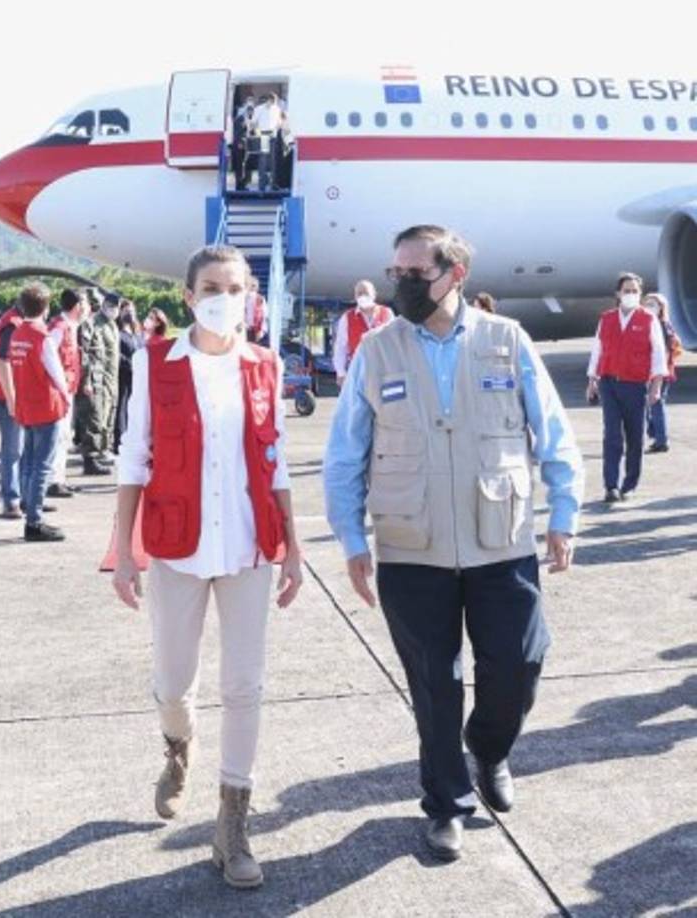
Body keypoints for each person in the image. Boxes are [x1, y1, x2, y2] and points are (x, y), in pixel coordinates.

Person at [324, 224, 583, 862]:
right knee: (434, 685)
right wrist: (352, 539)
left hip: (501, 541)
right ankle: (446, 805)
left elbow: (552, 432)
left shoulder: (505, 339)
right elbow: (343, 455)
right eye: (396, 274)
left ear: (454, 275)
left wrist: (565, 512)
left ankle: (489, 749)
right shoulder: (377, 349)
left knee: (519, 665)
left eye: (416, 274)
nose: (402, 285)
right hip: (412, 548)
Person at [113, 244, 303, 889]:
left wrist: (294, 549)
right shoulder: (155, 362)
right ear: (189, 297)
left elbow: (274, 458)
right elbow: (134, 458)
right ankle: (177, 745)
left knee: (245, 687)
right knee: (173, 682)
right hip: (177, 546)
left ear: (252, 296)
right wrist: (123, 554)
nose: (228, 297)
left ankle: (232, 823)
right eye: (213, 287)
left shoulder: (264, 365)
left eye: (238, 287)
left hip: (249, 545)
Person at [586, 272, 667, 502]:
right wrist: (592, 380)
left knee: (635, 437)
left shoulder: (648, 319)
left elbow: (659, 352)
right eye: (626, 290)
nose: (630, 294)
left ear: (640, 295)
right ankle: (610, 485)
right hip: (609, 383)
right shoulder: (607, 318)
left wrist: (656, 385)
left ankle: (629, 485)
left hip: (636, 384)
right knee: (611, 435)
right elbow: (597, 350)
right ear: (618, 294)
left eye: (635, 291)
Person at [8, 283, 71, 542]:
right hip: (46, 406)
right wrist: (66, 398)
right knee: (42, 466)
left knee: (29, 462)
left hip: (27, 406)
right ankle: (34, 521)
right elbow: (56, 373)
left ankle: (28, 505)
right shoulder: (41, 337)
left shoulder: (17, 334)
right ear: (45, 307)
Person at [47, 289, 84, 498]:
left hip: (68, 390)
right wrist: (60, 386)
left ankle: (60, 478)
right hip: (60, 392)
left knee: (64, 437)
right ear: (77, 306)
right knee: (59, 436)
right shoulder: (59, 328)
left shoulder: (70, 326)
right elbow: (49, 358)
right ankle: (54, 480)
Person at [0, 299, 25, 518]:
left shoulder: (16, 321)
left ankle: (23, 498)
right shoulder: (12, 324)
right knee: (13, 450)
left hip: (13, 394)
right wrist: (12, 401)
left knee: (20, 449)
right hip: (7, 396)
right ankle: (11, 500)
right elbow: (2, 362)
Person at [332, 281, 394, 387]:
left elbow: (394, 344)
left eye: (365, 292)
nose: (362, 296)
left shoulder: (387, 314)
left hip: (383, 372)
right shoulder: (347, 318)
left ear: (374, 294)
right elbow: (340, 348)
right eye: (359, 293)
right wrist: (340, 373)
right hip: (358, 373)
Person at [643, 293, 681, 454]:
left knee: (655, 405)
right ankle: (657, 435)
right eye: (647, 303)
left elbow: (666, 350)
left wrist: (658, 371)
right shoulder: (655, 323)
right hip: (655, 370)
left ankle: (661, 439)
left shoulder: (661, 325)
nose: (650, 307)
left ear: (661, 308)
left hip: (659, 371)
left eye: (654, 304)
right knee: (651, 405)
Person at [77, 289, 110, 476]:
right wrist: (87, 380)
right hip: (90, 381)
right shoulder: (85, 325)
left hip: (97, 378)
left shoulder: (90, 323)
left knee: (95, 419)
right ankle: (89, 460)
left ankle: (92, 457)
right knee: (91, 419)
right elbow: (85, 355)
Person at [95, 293, 121, 461]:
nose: (114, 310)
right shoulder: (97, 324)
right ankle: (99, 451)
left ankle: (106, 448)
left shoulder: (112, 325)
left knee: (111, 414)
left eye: (116, 307)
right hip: (103, 378)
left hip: (113, 378)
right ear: (104, 305)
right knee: (101, 417)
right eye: (111, 306)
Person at [115, 298, 141, 451]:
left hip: (136, 377)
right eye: (125, 310)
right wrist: (131, 365)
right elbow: (117, 355)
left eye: (131, 310)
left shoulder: (136, 333)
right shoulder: (118, 332)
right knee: (122, 408)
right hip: (123, 375)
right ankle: (119, 441)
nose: (129, 313)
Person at [252, 93, 282, 191]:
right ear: (268, 100)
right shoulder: (258, 109)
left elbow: (279, 122)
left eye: (273, 102)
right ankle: (262, 185)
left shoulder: (277, 109)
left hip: (273, 135)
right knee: (263, 160)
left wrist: (276, 130)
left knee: (273, 160)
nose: (272, 103)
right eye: (271, 101)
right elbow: (253, 123)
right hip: (263, 135)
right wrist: (258, 133)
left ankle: (273, 184)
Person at [244, 277, 268, 343]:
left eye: (254, 285)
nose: (252, 287)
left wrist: (262, 330)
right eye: (251, 285)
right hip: (243, 329)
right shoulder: (242, 298)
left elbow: (264, 316)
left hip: (255, 330)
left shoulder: (260, 299)